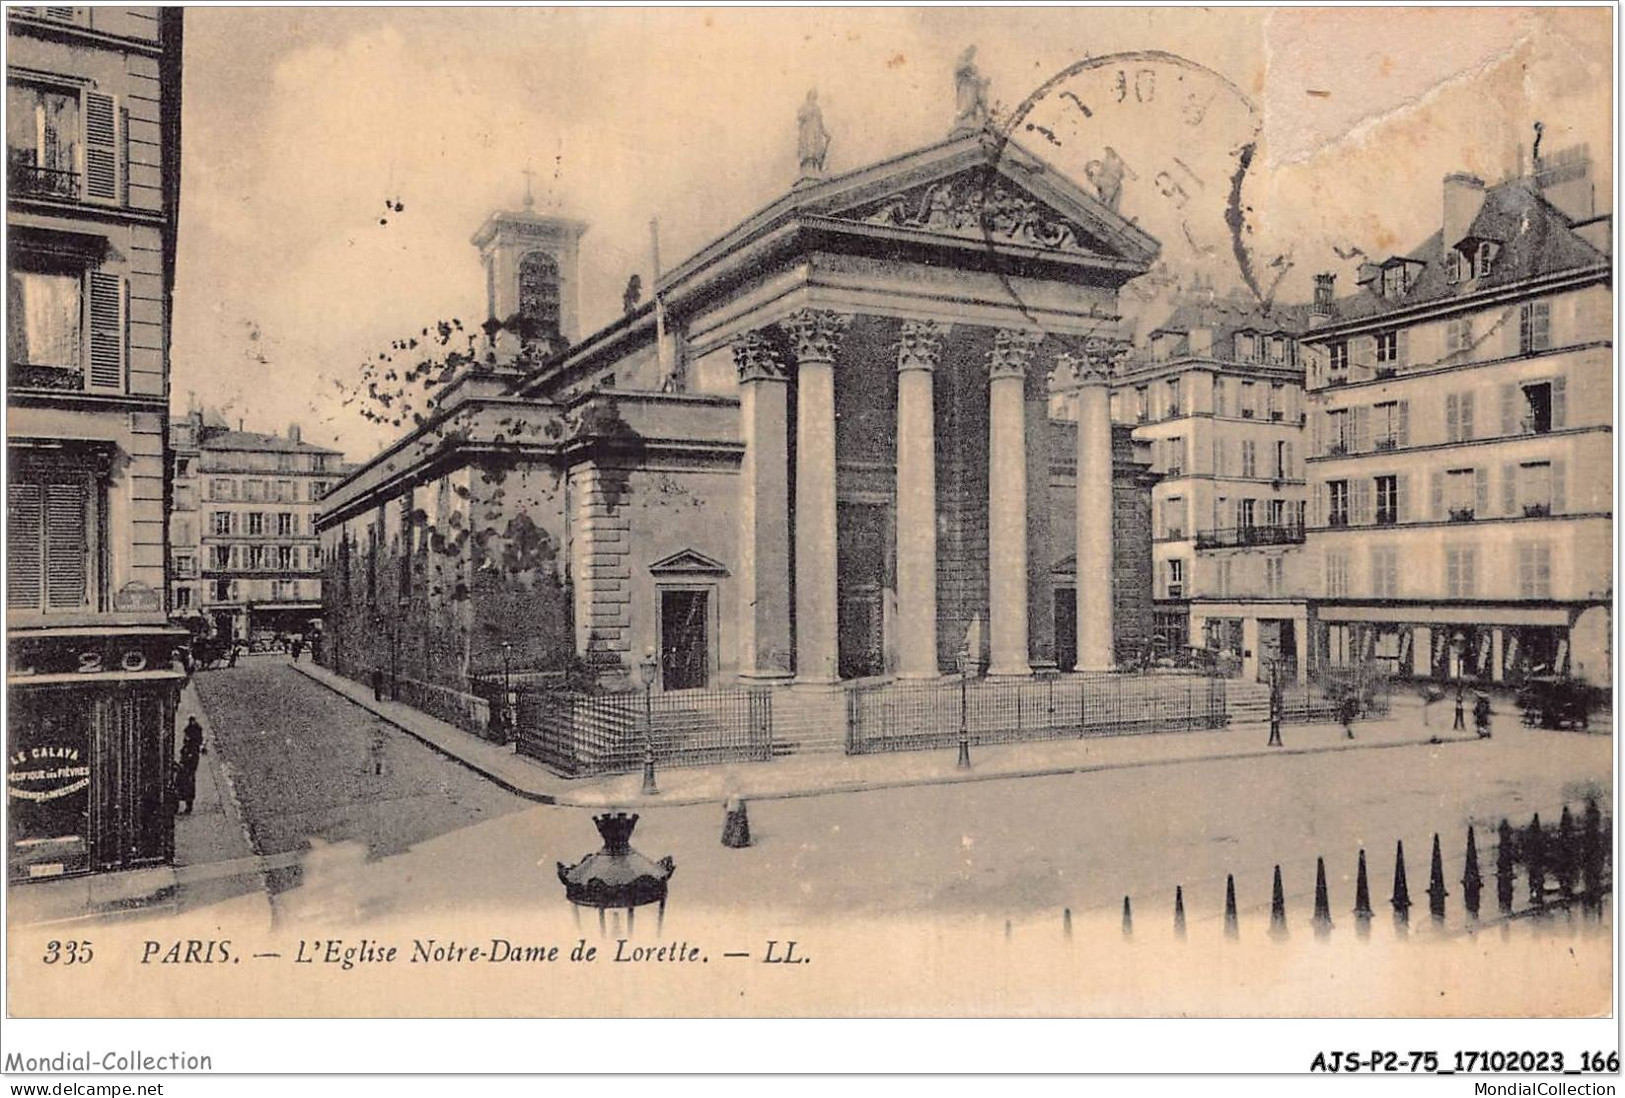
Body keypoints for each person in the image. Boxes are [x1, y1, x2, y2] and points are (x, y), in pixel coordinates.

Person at [174, 716, 204, 815]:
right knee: (185, 782)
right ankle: (185, 803)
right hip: (187, 763)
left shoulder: (192, 748)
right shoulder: (191, 746)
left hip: (189, 764)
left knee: (187, 782)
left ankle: (187, 804)